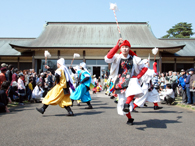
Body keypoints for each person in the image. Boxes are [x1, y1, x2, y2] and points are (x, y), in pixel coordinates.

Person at [104, 39, 147, 125]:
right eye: (123, 47)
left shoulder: (135, 58)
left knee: (131, 92)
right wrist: (116, 46)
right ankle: (130, 118)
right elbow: (108, 58)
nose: (125, 49)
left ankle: (127, 104)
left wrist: (137, 76)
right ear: (120, 48)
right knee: (122, 102)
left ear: (129, 48)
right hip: (120, 81)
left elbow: (145, 67)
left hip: (131, 80)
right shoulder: (117, 57)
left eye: (126, 47)